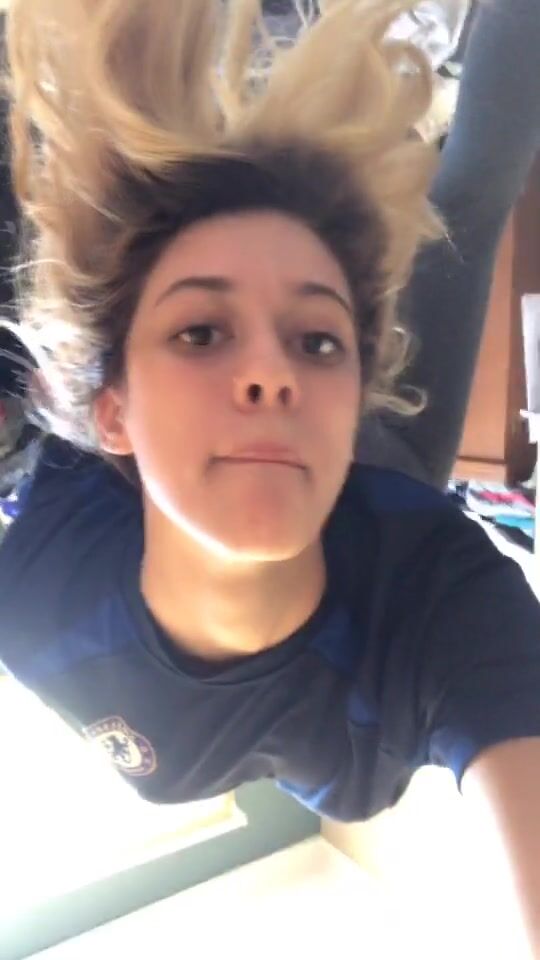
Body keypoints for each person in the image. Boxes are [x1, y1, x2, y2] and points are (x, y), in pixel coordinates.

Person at [0, 0, 540, 946]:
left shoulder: (31, 602)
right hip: (393, 482)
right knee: (468, 198)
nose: (271, 373)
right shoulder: (450, 612)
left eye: (317, 340)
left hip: (336, 468)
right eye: (203, 331)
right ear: (115, 413)